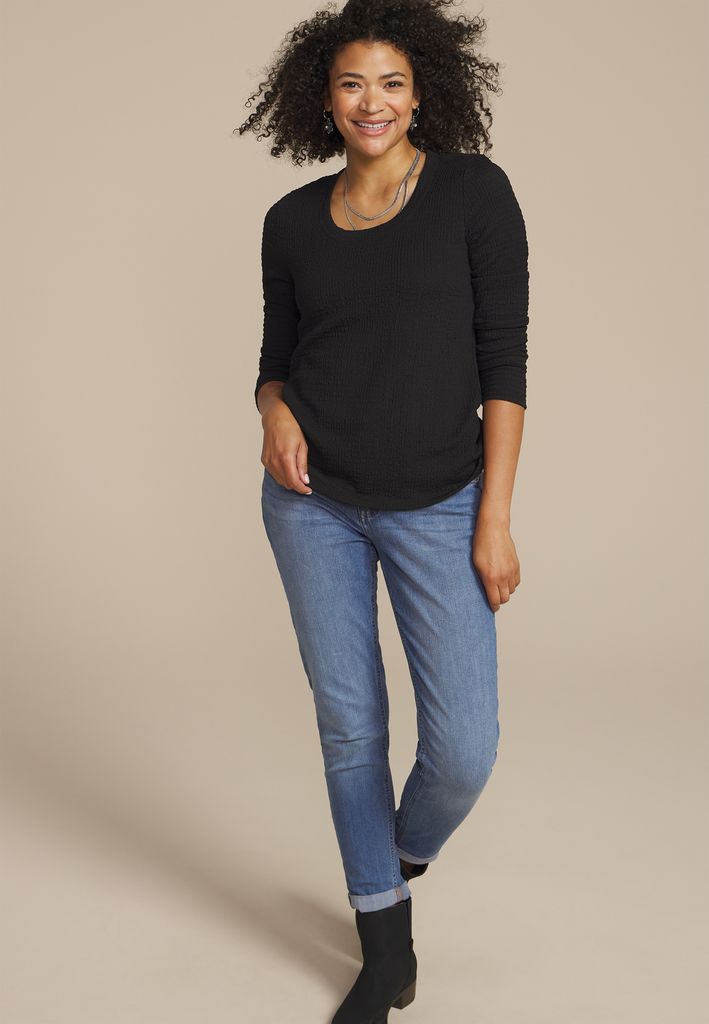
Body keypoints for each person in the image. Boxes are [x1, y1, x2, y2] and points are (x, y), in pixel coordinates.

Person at [237, 0, 529, 1019]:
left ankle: (390, 859)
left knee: (463, 749)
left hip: (440, 503)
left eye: (392, 82)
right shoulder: (289, 221)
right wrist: (273, 412)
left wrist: (493, 517)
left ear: (421, 93)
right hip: (309, 505)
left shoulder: (471, 192)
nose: (373, 101)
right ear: (323, 98)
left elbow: (503, 363)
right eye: (352, 83)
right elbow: (275, 362)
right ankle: (384, 950)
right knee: (350, 729)